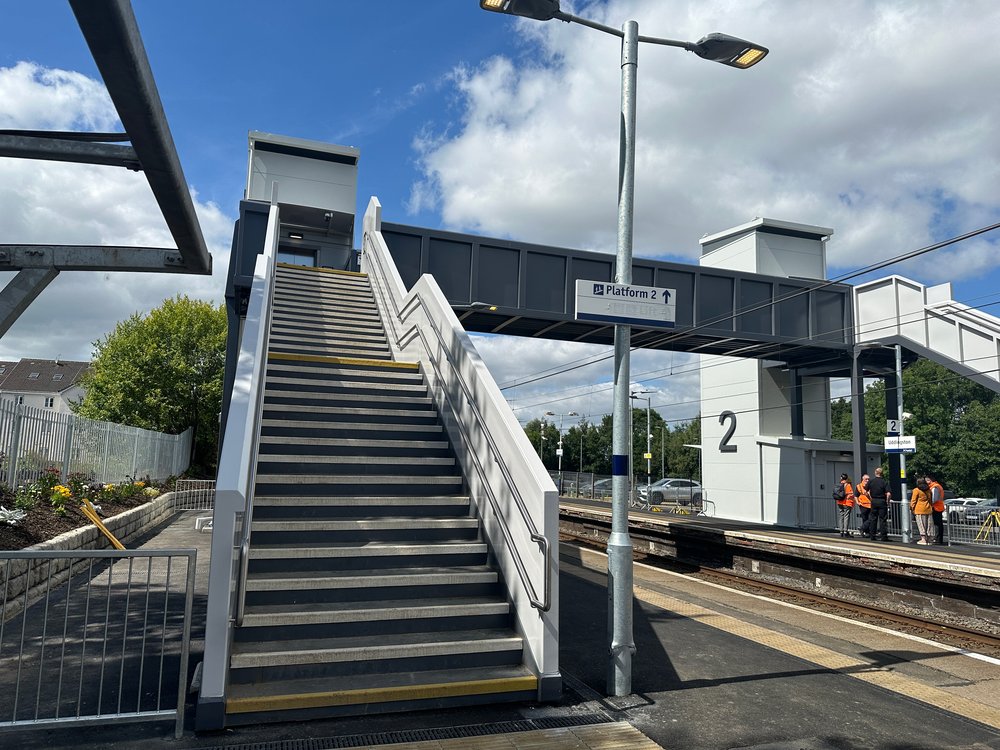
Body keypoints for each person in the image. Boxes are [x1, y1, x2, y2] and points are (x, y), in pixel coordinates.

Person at [867, 467, 891, 541]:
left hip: (873, 501)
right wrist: (888, 501)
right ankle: (883, 536)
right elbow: (888, 494)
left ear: (875, 473)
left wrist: (870, 498)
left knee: (873, 518)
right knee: (882, 519)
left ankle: (872, 535)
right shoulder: (884, 482)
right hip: (882, 501)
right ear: (882, 473)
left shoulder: (871, 481)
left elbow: (866, 492)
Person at [910, 478, 933, 545]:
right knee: (928, 525)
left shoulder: (916, 490)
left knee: (921, 524)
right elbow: (930, 500)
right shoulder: (929, 490)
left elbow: (913, 500)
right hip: (928, 508)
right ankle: (929, 540)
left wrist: (912, 508)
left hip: (919, 509)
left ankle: (923, 539)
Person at [834, 472, 855, 538]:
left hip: (839, 502)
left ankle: (841, 531)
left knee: (841, 516)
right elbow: (850, 494)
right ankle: (845, 531)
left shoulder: (838, 484)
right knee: (846, 516)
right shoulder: (847, 485)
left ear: (841, 478)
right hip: (846, 503)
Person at [926, 474, 945, 545]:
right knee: (937, 524)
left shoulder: (935, 487)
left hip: (936, 508)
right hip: (937, 507)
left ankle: (938, 539)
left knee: (937, 524)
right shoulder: (935, 486)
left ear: (929, 480)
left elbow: (934, 499)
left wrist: (928, 502)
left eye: (926, 480)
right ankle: (938, 539)